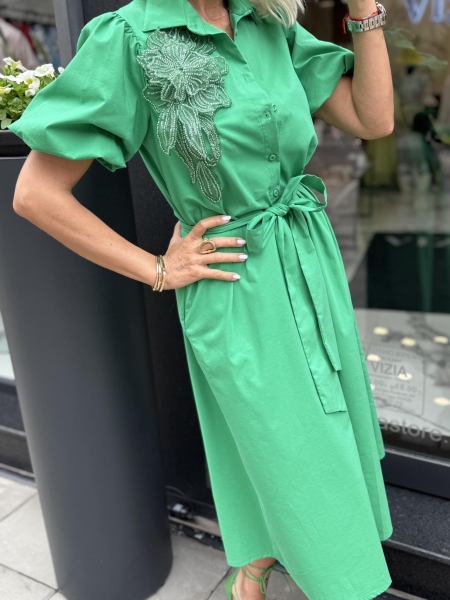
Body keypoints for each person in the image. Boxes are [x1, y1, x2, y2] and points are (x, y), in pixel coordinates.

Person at [8, 1, 395, 599]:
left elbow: (374, 119)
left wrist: (365, 8)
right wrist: (158, 268)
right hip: (236, 288)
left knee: (315, 440)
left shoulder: (268, 22)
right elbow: (35, 193)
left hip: (307, 264)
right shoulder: (129, 38)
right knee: (301, 460)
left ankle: (252, 574)